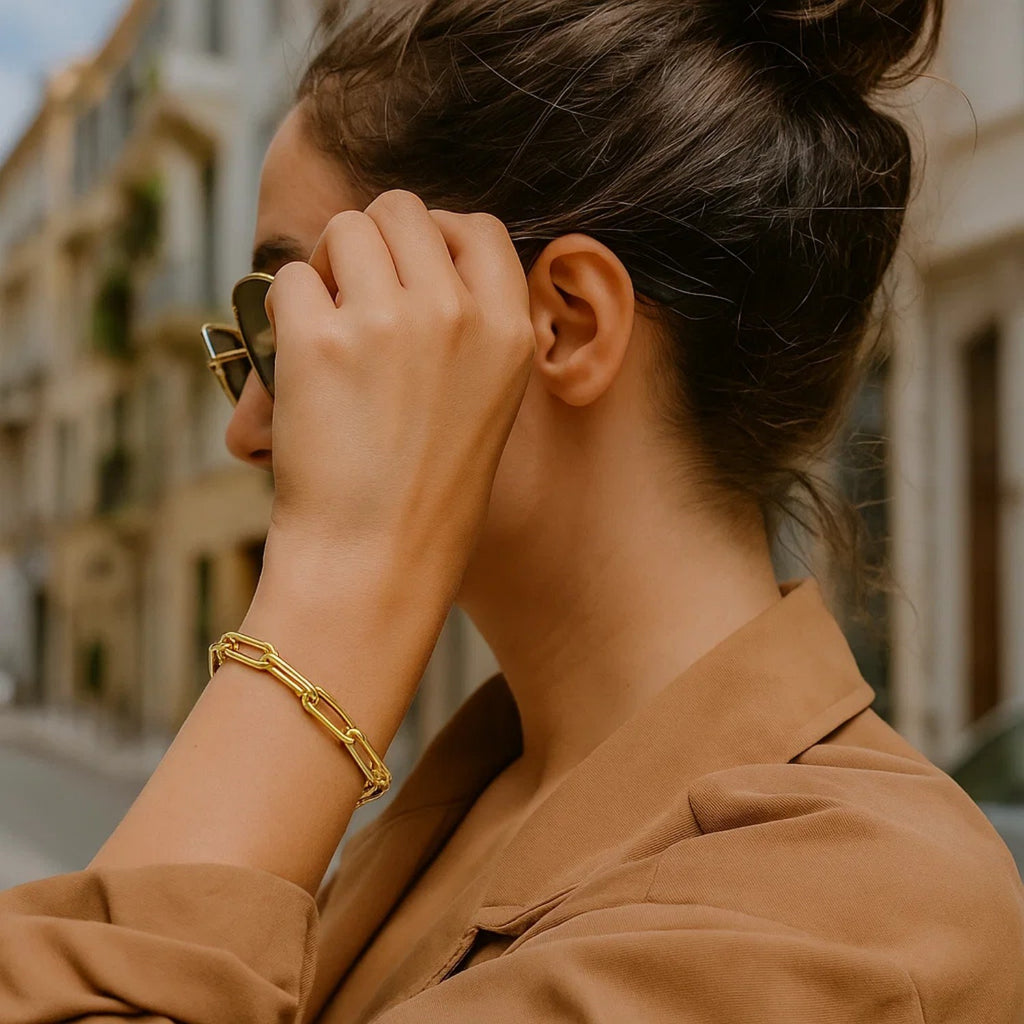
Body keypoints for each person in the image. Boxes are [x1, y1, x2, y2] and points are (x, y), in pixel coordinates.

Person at [1, 0, 1022, 1020]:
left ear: (563, 324)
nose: (248, 428)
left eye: (293, 319)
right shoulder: (474, 804)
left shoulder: (851, 910)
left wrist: (340, 580)